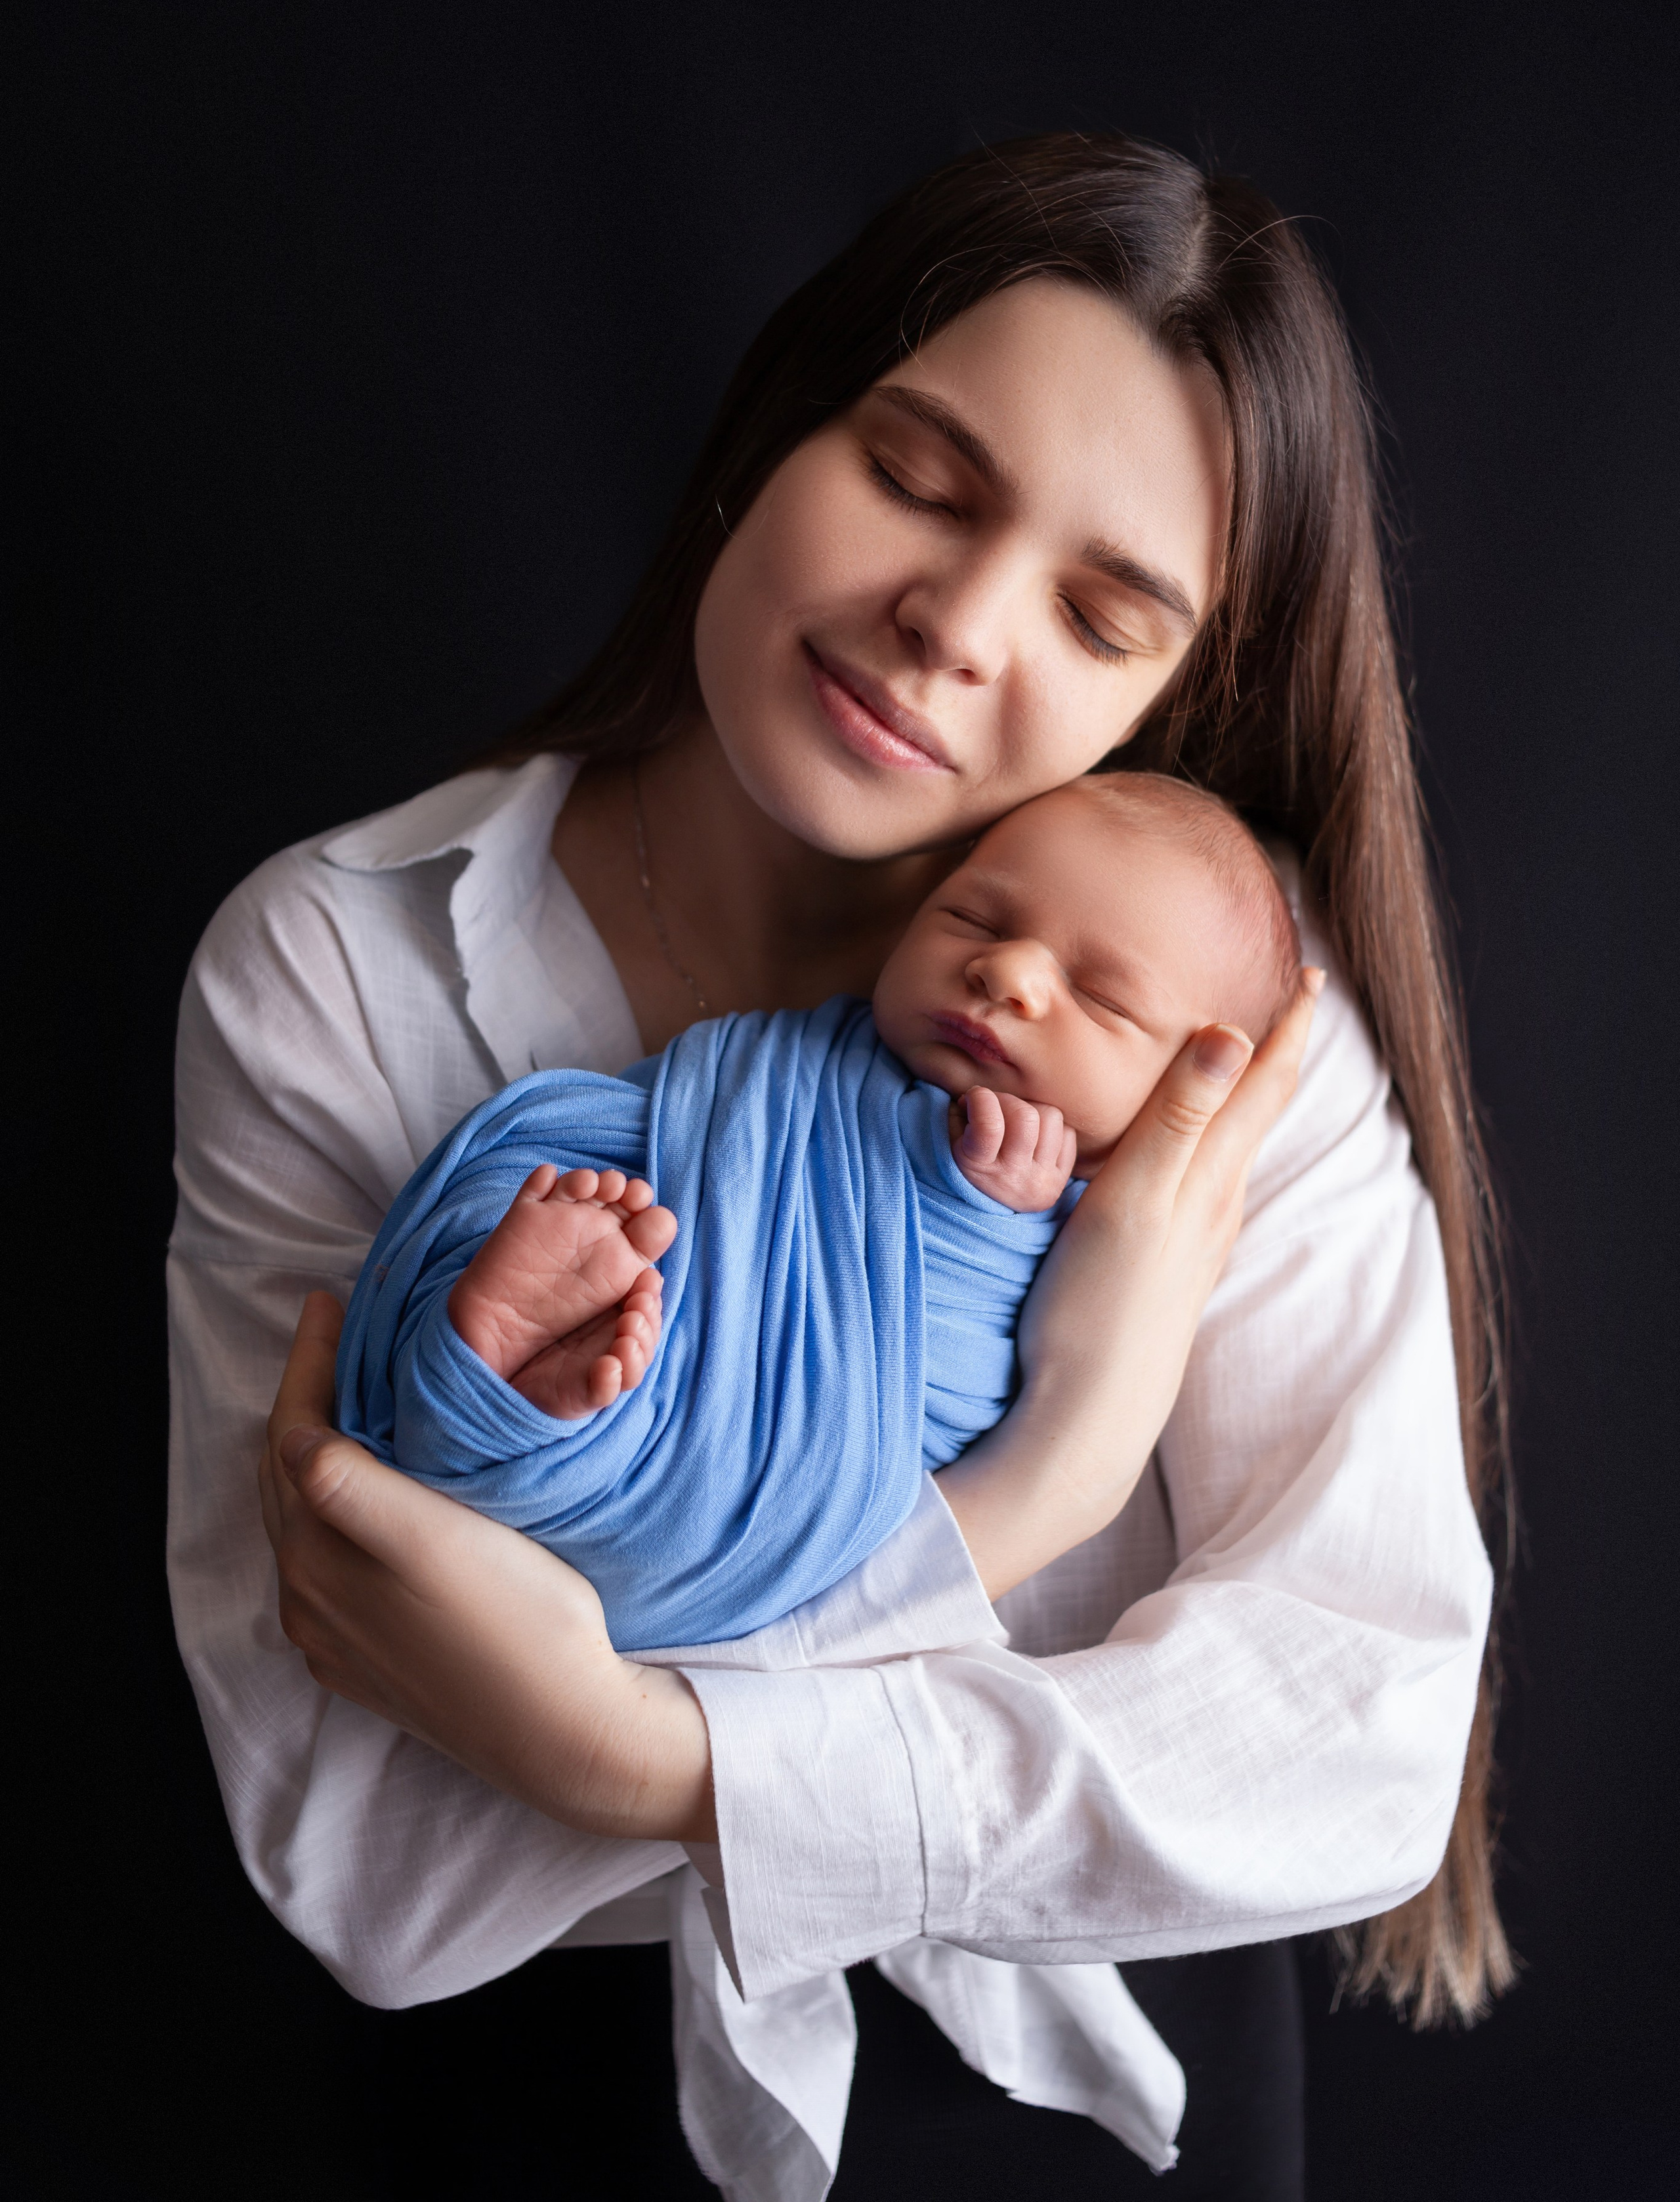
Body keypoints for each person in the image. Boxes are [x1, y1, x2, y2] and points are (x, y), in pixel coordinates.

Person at [169, 132, 1509, 2199]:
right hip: (548, 2117)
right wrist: (1050, 1485)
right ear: (777, 425)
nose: (955, 626)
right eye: (918, 474)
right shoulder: (348, 970)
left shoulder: (1230, 1045)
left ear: (1182, 692)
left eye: (1102, 608)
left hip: (1114, 2087)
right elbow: (370, 1863)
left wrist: (630, 1754)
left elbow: (1357, 1734)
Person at [335, 774, 1303, 1657]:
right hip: (668, 1272)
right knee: (555, 1192)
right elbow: (688, 1127)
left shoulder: (1114, 1226)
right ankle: (509, 1367)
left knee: (667, 1458)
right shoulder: (802, 1066)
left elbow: (955, 1370)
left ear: (1192, 1090)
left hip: (783, 1438)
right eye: (972, 917)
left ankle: (525, 1405)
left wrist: (993, 1220)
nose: (1008, 973)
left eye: (1099, 997)